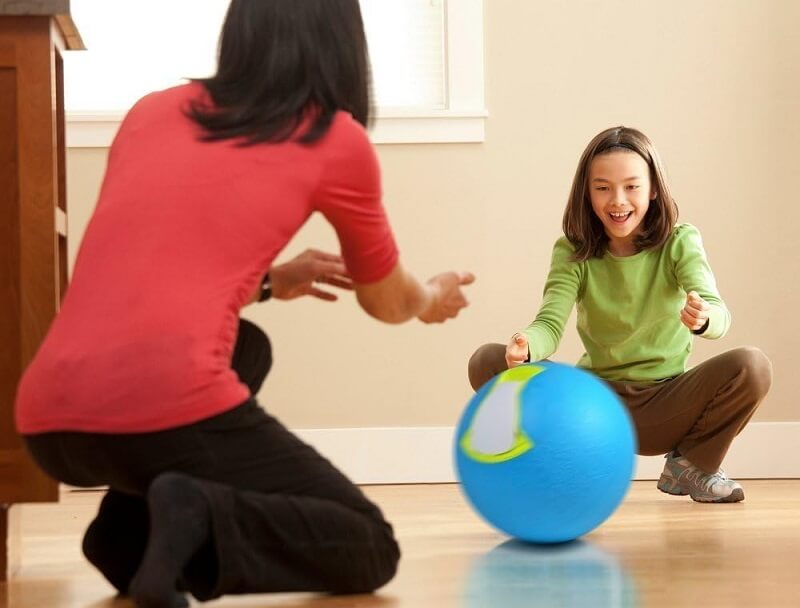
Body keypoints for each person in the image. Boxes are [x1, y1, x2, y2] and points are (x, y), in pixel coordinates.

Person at [14, 1, 474, 606]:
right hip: (159, 406)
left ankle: (126, 540)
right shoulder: (331, 137)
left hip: (50, 422)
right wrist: (430, 296)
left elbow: (139, 274)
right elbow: (387, 302)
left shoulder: (150, 112)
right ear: (342, 41)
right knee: (368, 544)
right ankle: (197, 512)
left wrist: (266, 282)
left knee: (247, 346)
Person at [468, 126, 771, 505]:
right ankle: (554, 463)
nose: (618, 200)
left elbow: (718, 314)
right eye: (603, 187)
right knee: (486, 360)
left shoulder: (679, 241)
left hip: (663, 406)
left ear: (654, 189)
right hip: (591, 407)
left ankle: (691, 466)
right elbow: (549, 323)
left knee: (752, 366)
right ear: (587, 193)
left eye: (632, 186)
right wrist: (526, 345)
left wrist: (704, 316)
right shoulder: (573, 251)